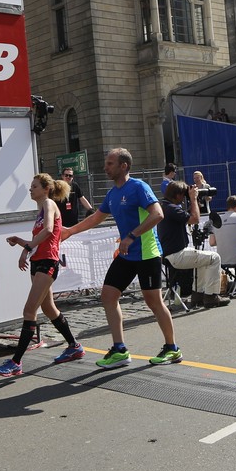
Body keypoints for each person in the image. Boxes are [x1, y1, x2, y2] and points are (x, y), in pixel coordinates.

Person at [60, 148, 181, 367]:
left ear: (123, 166)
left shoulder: (138, 187)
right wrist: (70, 231)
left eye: (110, 164)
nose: (105, 167)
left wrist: (131, 236)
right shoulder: (112, 193)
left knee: (154, 302)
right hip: (127, 255)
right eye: (106, 163)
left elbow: (158, 214)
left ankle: (172, 349)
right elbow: (96, 218)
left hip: (147, 253)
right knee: (108, 295)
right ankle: (120, 350)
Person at [0, 174, 84, 377]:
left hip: (47, 263)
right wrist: (22, 245)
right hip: (37, 262)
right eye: (31, 186)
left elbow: (49, 230)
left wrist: (26, 248)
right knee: (48, 308)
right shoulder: (40, 210)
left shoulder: (49, 204)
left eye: (34, 186)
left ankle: (16, 362)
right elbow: (38, 239)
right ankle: (74, 346)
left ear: (46, 189)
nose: (30, 189)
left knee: (29, 310)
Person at [159, 180, 229, 309]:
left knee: (203, 261)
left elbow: (187, 217)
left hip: (170, 254)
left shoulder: (164, 206)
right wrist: (193, 199)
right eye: (184, 195)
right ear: (178, 195)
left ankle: (198, 295)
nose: (184, 198)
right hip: (177, 255)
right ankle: (211, 296)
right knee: (215, 258)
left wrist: (192, 200)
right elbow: (195, 219)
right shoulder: (172, 209)